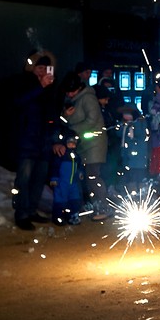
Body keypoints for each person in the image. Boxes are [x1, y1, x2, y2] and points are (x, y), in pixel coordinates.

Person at [12, 54, 60, 230]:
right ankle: (21, 214)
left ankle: (31, 210)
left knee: (39, 179)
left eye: (46, 68)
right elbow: (18, 102)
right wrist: (40, 86)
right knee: (23, 179)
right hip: (27, 139)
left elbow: (53, 113)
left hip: (44, 141)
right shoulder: (24, 83)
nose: (42, 72)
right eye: (39, 68)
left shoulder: (50, 88)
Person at [59, 71, 110, 220]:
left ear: (79, 88)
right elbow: (64, 121)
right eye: (67, 91)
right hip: (81, 144)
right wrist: (65, 116)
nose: (69, 94)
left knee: (92, 176)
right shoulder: (71, 100)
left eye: (71, 91)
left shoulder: (88, 98)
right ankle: (89, 206)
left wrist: (72, 130)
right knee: (83, 177)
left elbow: (92, 120)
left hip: (94, 144)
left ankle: (103, 207)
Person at [49, 129, 86, 226]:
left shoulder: (76, 156)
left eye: (74, 143)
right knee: (60, 200)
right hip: (62, 182)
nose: (72, 144)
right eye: (70, 142)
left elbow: (80, 167)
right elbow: (55, 167)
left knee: (74, 199)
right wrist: (54, 179)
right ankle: (58, 216)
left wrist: (80, 173)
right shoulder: (61, 154)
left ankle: (72, 216)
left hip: (73, 183)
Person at [116, 103, 150, 194]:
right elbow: (118, 133)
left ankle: (141, 194)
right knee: (129, 178)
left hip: (138, 157)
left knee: (139, 177)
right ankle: (132, 194)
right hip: (128, 157)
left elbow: (140, 134)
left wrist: (132, 124)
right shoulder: (124, 124)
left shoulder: (140, 122)